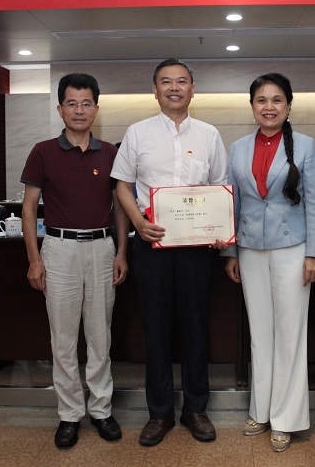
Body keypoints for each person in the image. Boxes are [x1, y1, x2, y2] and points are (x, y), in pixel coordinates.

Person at [111, 58, 228, 447]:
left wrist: (219, 230)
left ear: (193, 89)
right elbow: (122, 185)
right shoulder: (137, 132)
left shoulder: (209, 134)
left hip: (197, 248)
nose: (174, 87)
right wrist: (138, 223)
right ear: (155, 89)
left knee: (195, 328)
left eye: (181, 81)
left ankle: (195, 409)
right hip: (152, 244)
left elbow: (220, 187)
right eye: (166, 81)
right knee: (156, 330)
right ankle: (159, 413)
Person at [20, 73, 129, 449]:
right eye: (72, 103)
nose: (79, 110)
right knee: (64, 339)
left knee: (100, 335)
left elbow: (119, 207)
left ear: (96, 109)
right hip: (59, 249)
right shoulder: (43, 151)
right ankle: (69, 415)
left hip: (101, 248)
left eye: (86, 103)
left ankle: (101, 410)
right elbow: (29, 208)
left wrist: (121, 252)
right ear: (60, 109)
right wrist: (34, 259)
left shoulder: (111, 152)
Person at [222, 73, 315, 453]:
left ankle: (286, 418)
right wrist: (230, 252)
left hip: (293, 248)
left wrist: (314, 253)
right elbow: (232, 202)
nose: (269, 107)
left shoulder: (306, 145)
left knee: (290, 333)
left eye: (277, 99)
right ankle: (261, 410)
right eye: (261, 100)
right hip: (250, 248)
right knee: (260, 332)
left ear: (288, 105)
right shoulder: (237, 148)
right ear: (252, 106)